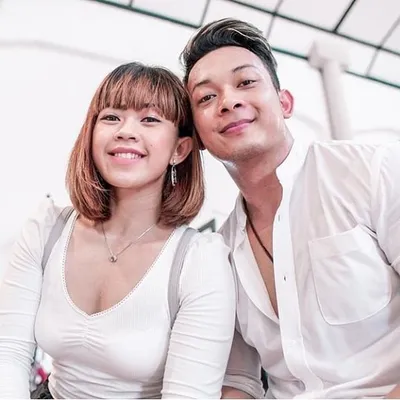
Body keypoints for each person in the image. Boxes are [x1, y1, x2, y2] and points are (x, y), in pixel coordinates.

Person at [180, 18, 400, 399]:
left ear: (285, 103)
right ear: (197, 135)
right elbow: (239, 381)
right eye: (206, 97)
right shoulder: (218, 253)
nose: (228, 101)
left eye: (246, 82)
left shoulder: (370, 171)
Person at [0, 62, 236, 399]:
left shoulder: (200, 261)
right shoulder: (47, 229)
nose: (126, 131)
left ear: (179, 149)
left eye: (149, 119)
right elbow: (8, 353)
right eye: (111, 117)